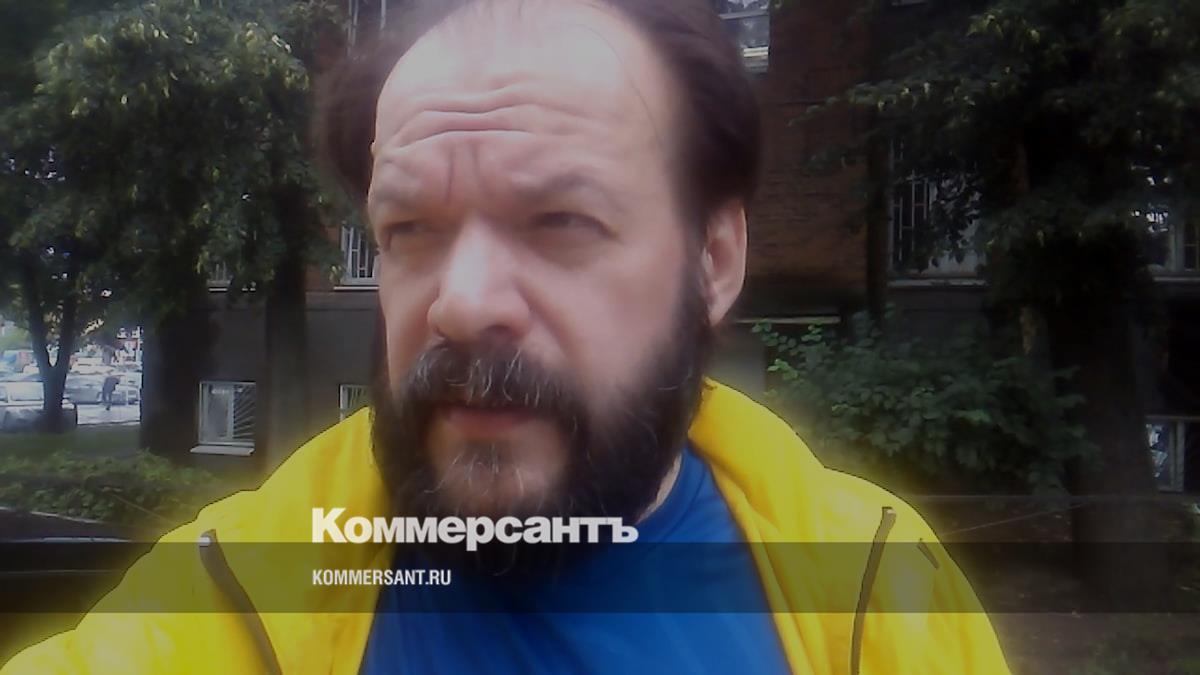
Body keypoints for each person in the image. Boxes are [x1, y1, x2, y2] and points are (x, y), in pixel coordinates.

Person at [2, 0, 1011, 673]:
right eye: (410, 230)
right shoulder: (235, 592)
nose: (461, 302)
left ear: (713, 260)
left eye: (560, 222)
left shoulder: (883, 598)